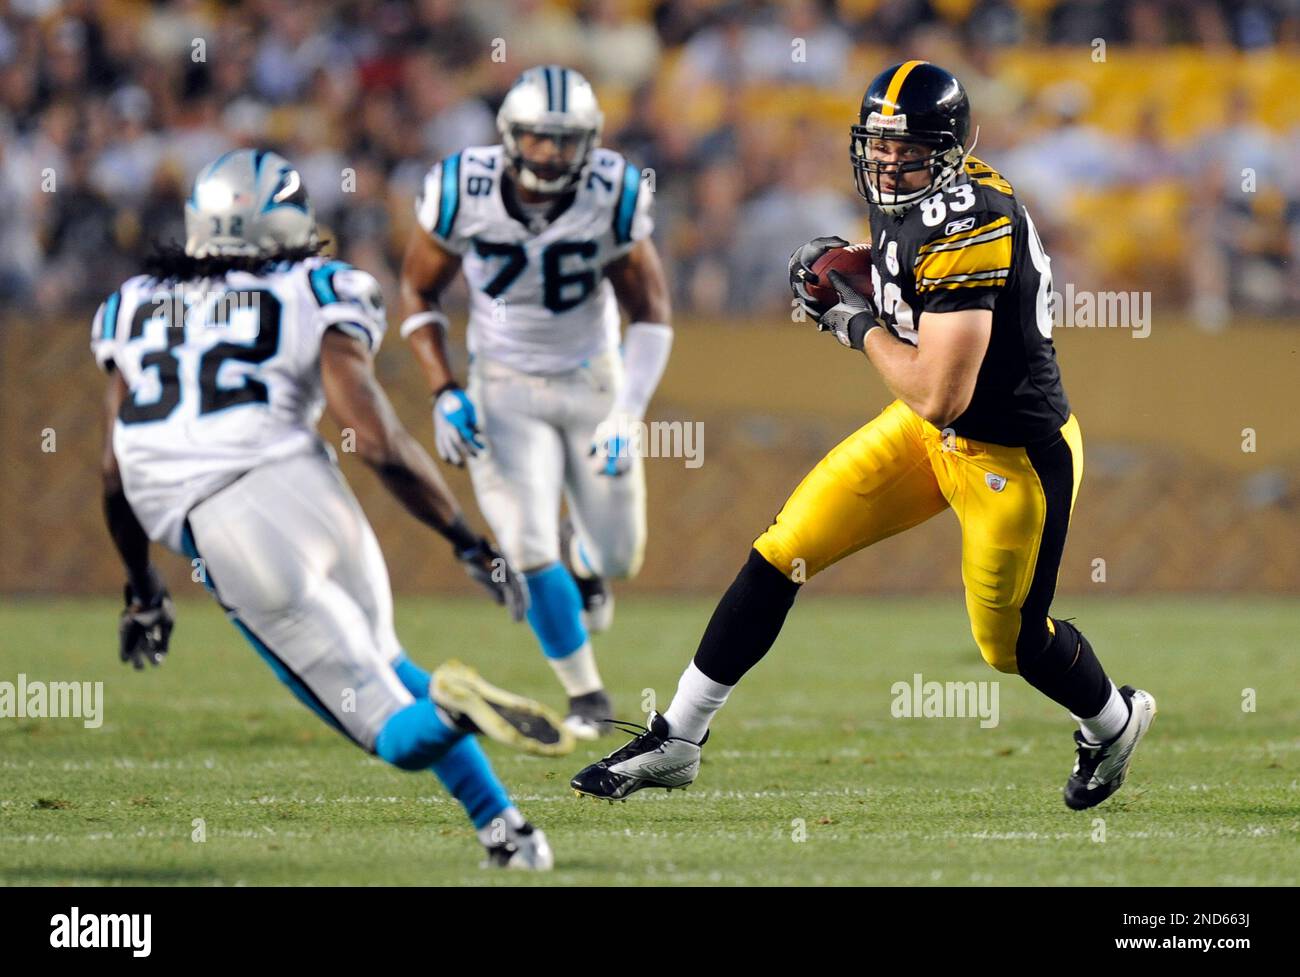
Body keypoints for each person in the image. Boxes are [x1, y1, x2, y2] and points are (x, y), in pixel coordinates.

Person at [572, 62, 1156, 812]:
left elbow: (942, 394)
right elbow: (907, 277)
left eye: (905, 149)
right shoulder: (916, 195)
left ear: (946, 150)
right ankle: (678, 737)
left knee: (1011, 643)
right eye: (877, 146)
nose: (886, 163)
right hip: (926, 433)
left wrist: (850, 320)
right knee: (786, 547)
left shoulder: (971, 220)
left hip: (1010, 456)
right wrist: (852, 266)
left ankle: (1112, 721)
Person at [97, 148, 572, 870]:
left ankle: (455, 709)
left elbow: (113, 471)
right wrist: (465, 539)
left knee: (388, 729)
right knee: (387, 662)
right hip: (309, 488)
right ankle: (505, 829)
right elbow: (376, 440)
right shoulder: (316, 287)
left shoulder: (129, 305)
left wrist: (143, 588)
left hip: (229, 526)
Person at [397, 66, 673, 738]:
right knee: (523, 539)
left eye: (566, 139)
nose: (552, 154)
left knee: (618, 557)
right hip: (503, 384)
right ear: (509, 137)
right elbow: (418, 293)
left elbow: (652, 313)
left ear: (591, 142)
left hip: (591, 377)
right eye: (539, 138)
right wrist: (443, 389)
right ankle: (588, 696)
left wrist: (626, 411)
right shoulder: (463, 189)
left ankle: (587, 565)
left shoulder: (614, 194)